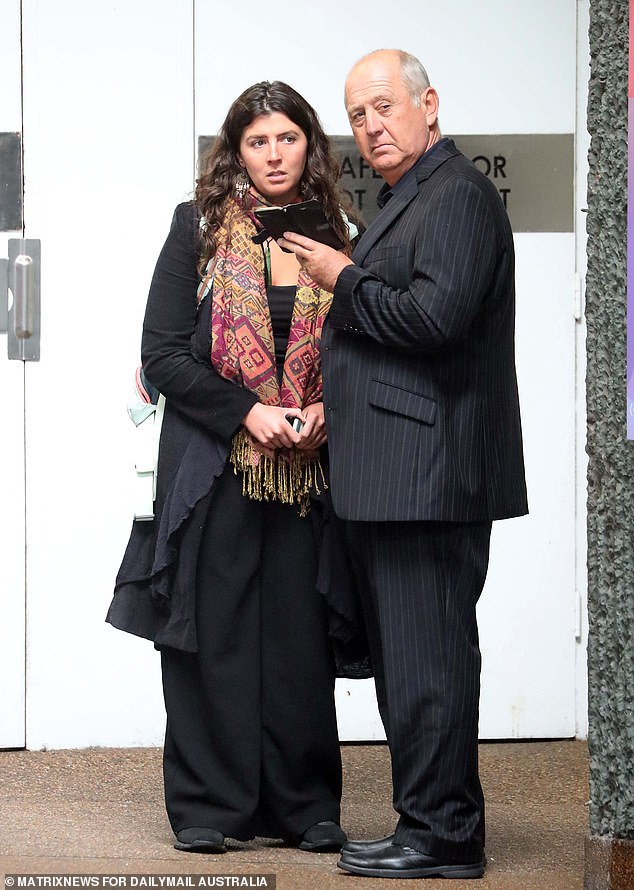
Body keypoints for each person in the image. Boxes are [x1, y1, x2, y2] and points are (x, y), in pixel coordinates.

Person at [279, 49, 528, 880]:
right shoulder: (411, 196)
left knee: (430, 665)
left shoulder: (456, 195)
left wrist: (342, 276)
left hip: (429, 474)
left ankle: (446, 835)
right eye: (356, 115)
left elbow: (435, 320)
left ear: (429, 104)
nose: (370, 127)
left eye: (383, 106)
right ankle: (426, 821)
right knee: (412, 666)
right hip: (396, 472)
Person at [106, 80, 363, 855]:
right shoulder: (198, 227)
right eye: (258, 141)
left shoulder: (344, 231)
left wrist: (330, 409)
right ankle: (209, 807)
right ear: (236, 151)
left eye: (288, 138)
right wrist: (245, 411)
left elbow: (368, 341)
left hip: (310, 471)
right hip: (217, 466)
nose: (274, 154)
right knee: (211, 635)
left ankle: (304, 806)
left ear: (309, 147)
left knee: (298, 636)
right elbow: (163, 353)